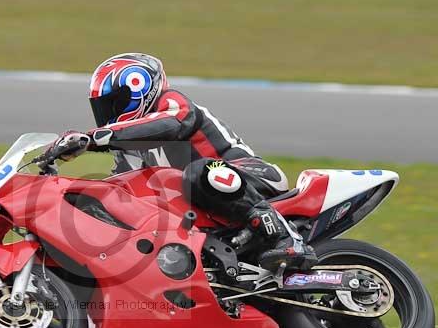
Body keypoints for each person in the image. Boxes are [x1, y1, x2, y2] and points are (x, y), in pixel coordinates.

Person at [42, 52, 317, 271]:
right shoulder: (130, 152)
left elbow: (170, 125)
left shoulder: (171, 104)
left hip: (251, 176)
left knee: (199, 171)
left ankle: (284, 237)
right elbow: (120, 193)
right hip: (207, 209)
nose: (107, 114)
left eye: (113, 103)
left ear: (138, 89)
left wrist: (92, 138)